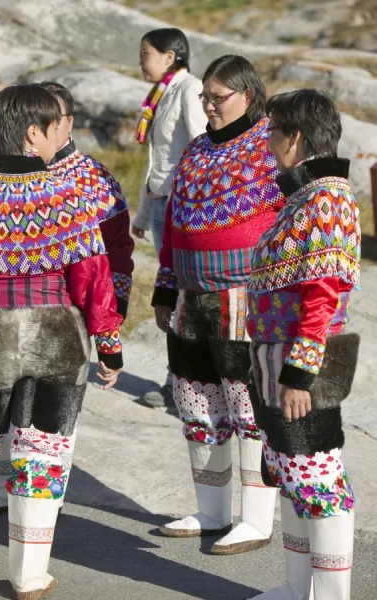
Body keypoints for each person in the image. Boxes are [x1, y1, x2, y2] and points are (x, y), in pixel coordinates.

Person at [0, 84, 122, 599]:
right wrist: (109, 345)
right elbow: (92, 276)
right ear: (32, 134)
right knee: (40, 451)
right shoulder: (66, 194)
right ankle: (27, 576)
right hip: (53, 333)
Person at [152, 55, 285, 554]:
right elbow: (175, 226)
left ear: (247, 96)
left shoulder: (269, 149)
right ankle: (210, 512)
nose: (207, 105)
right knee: (197, 403)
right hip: (190, 296)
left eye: (216, 97)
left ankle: (255, 519)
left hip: (243, 298)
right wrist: (165, 288)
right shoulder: (195, 152)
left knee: (245, 405)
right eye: (204, 97)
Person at [246, 89, 361, 599]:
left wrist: (299, 375)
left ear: (294, 137)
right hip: (277, 355)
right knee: (292, 475)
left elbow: (322, 295)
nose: (268, 143)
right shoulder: (306, 195)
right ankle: (297, 591)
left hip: (299, 362)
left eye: (272, 133)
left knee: (317, 479)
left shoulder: (326, 197)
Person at [132, 27, 207, 408]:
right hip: (163, 205)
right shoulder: (160, 94)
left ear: (170, 55)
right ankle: (178, 382)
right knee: (173, 295)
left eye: (146, 52)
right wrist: (144, 212)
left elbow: (200, 146)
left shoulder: (190, 89)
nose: (141, 60)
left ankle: (181, 385)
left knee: (183, 296)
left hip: (184, 206)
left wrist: (198, 203)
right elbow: (156, 160)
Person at [42, 81, 134, 321]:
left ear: (70, 123)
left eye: (54, 117)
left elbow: (117, 245)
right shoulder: (13, 172)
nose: (44, 125)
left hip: (71, 311)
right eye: (36, 115)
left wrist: (114, 308)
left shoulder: (93, 177)